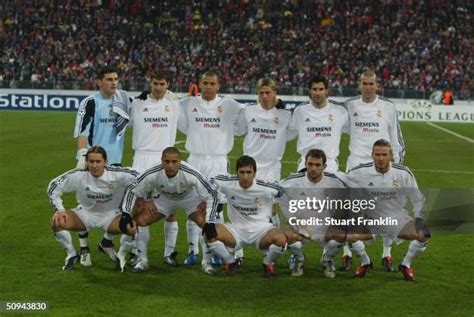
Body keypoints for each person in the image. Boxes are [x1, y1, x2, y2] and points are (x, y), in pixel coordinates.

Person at [179, 70, 244, 275]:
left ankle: (215, 247)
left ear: (218, 85)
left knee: (216, 207)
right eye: (204, 83)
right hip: (196, 160)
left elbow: (245, 121)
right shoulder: (187, 104)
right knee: (194, 208)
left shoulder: (230, 105)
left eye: (211, 83)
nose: (208, 86)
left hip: (218, 162)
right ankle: (192, 250)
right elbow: (179, 121)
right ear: (200, 84)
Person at [116, 147, 218, 272]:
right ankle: (143, 261)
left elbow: (212, 193)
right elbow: (133, 189)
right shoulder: (153, 172)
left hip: (189, 199)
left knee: (206, 224)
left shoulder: (191, 173)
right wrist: (126, 213)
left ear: (180, 161)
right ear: (162, 161)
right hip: (164, 199)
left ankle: (206, 263)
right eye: (167, 161)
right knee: (140, 220)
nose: (170, 165)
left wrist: (208, 211)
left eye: (174, 162)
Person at [342, 69, 406, 269]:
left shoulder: (388, 106)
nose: (368, 87)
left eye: (372, 84)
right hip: (355, 166)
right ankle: (347, 252)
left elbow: (396, 137)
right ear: (359, 85)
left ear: (377, 85)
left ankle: (386, 254)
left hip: (382, 166)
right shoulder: (349, 105)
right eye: (365, 84)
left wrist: (398, 165)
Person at [279, 149, 373, 278]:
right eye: (310, 164)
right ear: (305, 164)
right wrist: (291, 219)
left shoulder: (336, 180)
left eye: (317, 165)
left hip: (326, 226)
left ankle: (327, 260)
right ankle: (299, 259)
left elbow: (358, 189)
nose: (313, 168)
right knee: (288, 235)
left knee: (341, 236)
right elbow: (277, 192)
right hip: (303, 226)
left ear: (324, 166)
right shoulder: (293, 180)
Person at [344, 139, 430, 280]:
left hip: (396, 218)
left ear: (391, 156)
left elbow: (418, 199)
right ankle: (365, 262)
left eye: (384, 155)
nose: (381, 158)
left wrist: (419, 219)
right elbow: (339, 182)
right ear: (372, 155)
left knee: (423, 234)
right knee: (347, 232)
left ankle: (405, 265)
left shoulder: (403, 174)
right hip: (369, 218)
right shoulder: (360, 172)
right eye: (377, 155)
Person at [72, 66, 132, 267]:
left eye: (116, 79)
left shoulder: (122, 100)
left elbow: (143, 102)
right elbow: (81, 131)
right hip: (92, 162)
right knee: (87, 205)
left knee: (117, 207)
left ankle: (106, 242)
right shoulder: (90, 102)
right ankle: (84, 249)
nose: (114, 83)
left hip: (114, 163)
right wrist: (83, 156)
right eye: (109, 79)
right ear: (99, 82)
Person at [127, 70, 184, 271]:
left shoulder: (175, 105)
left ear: (168, 85)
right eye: (156, 83)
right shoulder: (137, 103)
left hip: (165, 160)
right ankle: (138, 253)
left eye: (163, 84)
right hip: (141, 158)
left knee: (171, 208)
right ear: (150, 83)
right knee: (137, 206)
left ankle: (169, 253)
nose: (159, 87)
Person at [47, 146, 138, 271]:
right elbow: (53, 186)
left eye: (98, 162)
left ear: (105, 162)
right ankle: (71, 254)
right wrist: (60, 210)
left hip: (110, 216)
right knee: (57, 222)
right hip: (84, 214)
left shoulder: (117, 174)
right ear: (87, 162)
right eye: (91, 162)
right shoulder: (79, 175)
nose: (94, 165)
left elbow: (139, 179)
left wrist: (130, 208)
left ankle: (121, 257)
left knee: (131, 228)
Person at [235, 78, 292, 261]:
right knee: (244, 208)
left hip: (272, 169)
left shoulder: (285, 115)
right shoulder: (248, 111)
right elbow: (238, 131)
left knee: (272, 210)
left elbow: (292, 134)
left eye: (268, 92)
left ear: (275, 92)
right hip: (250, 168)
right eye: (261, 93)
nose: (265, 96)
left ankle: (274, 247)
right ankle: (238, 251)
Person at [204, 155, 287, 278]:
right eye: (241, 172)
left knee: (281, 240)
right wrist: (212, 208)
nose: (245, 176)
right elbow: (211, 181)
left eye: (249, 172)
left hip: (261, 230)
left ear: (254, 173)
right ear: (236, 172)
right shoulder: (228, 183)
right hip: (235, 230)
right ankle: (230, 262)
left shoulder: (266, 187)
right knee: (208, 234)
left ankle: (267, 263)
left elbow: (283, 189)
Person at [289, 76, 349, 173]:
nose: (317, 93)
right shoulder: (300, 110)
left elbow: (354, 131)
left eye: (321, 89)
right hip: (306, 162)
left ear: (327, 91)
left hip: (329, 164)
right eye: (314, 89)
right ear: (309, 91)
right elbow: (289, 134)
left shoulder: (340, 111)